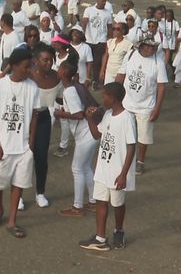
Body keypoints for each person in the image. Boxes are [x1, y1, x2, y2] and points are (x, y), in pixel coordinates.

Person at [0, 48, 39, 239]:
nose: (30, 69)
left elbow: (34, 115)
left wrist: (31, 143)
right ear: (15, 66)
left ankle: (12, 220)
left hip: (24, 146)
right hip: (4, 144)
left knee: (19, 182)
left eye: (31, 65)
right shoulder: (0, 85)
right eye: (27, 66)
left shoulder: (32, 87)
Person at [79, 82, 136, 251]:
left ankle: (119, 231)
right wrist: (89, 118)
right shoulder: (108, 115)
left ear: (114, 98)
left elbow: (131, 146)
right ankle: (100, 238)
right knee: (101, 201)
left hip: (118, 170)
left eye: (105, 96)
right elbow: (97, 135)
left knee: (117, 204)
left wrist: (123, 174)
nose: (102, 99)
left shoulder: (127, 118)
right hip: (103, 168)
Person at [116, 35, 167, 175]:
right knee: (125, 134)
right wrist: (115, 96)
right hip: (126, 103)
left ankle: (140, 161)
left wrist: (157, 108)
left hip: (146, 106)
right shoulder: (131, 55)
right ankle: (124, 159)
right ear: (142, 47)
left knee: (143, 137)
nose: (152, 49)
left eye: (153, 47)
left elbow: (161, 87)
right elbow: (121, 75)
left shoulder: (158, 61)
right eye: (149, 46)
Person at [56, 61, 99, 217]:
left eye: (60, 69)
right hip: (91, 132)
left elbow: (79, 114)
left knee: (77, 169)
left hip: (86, 133)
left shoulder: (69, 91)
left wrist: (61, 114)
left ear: (62, 74)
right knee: (86, 167)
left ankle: (77, 207)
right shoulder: (77, 86)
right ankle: (93, 202)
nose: (58, 70)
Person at [28, 43, 62, 208]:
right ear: (36, 60)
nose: (49, 63)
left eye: (51, 60)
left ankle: (40, 192)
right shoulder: (28, 76)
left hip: (43, 118)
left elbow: (61, 98)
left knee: (41, 157)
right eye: (45, 60)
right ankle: (18, 194)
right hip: (25, 119)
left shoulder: (57, 77)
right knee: (24, 157)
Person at [82, 0, 113, 89]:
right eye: (102, 1)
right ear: (97, 0)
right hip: (89, 39)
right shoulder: (89, 10)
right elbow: (85, 22)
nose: (104, 3)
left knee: (97, 62)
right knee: (88, 61)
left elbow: (109, 27)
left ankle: (95, 80)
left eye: (105, 1)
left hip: (101, 40)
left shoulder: (108, 13)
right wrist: (83, 34)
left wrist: (110, 39)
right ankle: (87, 77)